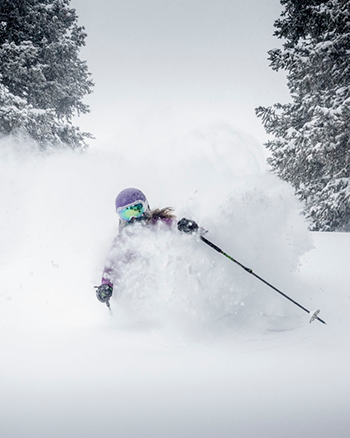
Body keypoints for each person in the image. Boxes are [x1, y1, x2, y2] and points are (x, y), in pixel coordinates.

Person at [95, 188, 199, 305]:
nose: (132, 218)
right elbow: (111, 266)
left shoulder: (161, 224)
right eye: (126, 214)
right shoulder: (122, 240)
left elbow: (181, 229)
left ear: (146, 207)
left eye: (136, 210)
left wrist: (191, 228)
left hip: (172, 283)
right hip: (145, 290)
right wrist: (106, 286)